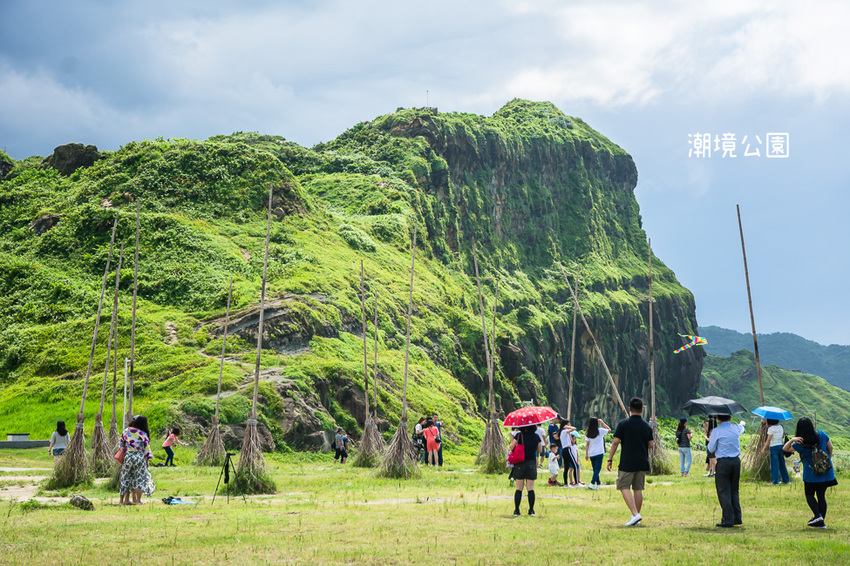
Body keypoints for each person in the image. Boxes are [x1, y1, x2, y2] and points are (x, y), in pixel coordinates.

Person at [607, 397, 654, 526]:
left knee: (624, 486)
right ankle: (635, 517)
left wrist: (610, 459)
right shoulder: (646, 426)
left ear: (629, 409)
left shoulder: (623, 424)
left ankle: (635, 514)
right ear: (642, 410)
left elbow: (615, 442)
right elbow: (651, 445)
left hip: (627, 461)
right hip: (642, 461)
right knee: (638, 489)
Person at [783, 417, 838, 528]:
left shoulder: (800, 443)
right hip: (826, 472)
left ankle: (818, 516)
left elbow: (785, 449)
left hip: (811, 475)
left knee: (809, 495)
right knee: (821, 496)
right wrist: (825, 462)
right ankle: (821, 523)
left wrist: (792, 440)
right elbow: (830, 447)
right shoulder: (821, 434)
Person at [707, 414, 746, 527]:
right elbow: (742, 427)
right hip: (736, 462)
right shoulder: (736, 428)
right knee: (734, 490)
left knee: (724, 491)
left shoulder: (716, 431)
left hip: (723, 462)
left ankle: (728, 519)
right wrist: (742, 423)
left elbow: (711, 448)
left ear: (718, 418)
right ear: (730, 418)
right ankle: (736, 517)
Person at [119, 415, 155, 505]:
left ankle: (123, 501)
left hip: (128, 456)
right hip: (139, 457)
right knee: (140, 479)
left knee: (125, 478)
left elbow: (121, 444)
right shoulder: (142, 434)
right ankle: (138, 501)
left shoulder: (126, 431)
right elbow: (147, 449)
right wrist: (147, 460)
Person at [508, 424, 543, 516]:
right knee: (530, 488)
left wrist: (513, 440)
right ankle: (531, 510)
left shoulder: (519, 435)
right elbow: (540, 450)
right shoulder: (536, 436)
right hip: (531, 463)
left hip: (520, 463)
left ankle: (516, 510)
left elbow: (511, 447)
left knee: (519, 488)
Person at [761, 419, 790, 485]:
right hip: (781, 447)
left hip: (773, 447)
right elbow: (783, 436)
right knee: (782, 464)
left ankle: (775, 481)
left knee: (774, 466)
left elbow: (768, 440)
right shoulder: (781, 427)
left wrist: (763, 449)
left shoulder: (770, 429)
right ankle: (786, 480)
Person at [584, 417, 610, 489]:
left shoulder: (588, 432)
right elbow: (609, 430)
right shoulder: (600, 430)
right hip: (599, 452)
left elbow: (587, 444)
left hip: (591, 453)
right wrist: (603, 423)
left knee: (595, 469)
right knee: (597, 469)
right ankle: (592, 483)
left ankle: (598, 484)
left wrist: (586, 454)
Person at [558, 421, 578, 487]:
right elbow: (574, 428)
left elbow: (571, 440)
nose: (569, 425)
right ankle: (577, 483)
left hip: (564, 450)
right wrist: (567, 427)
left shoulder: (564, 432)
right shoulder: (564, 431)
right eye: (568, 424)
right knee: (575, 465)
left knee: (566, 468)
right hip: (567, 449)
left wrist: (568, 431)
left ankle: (566, 484)